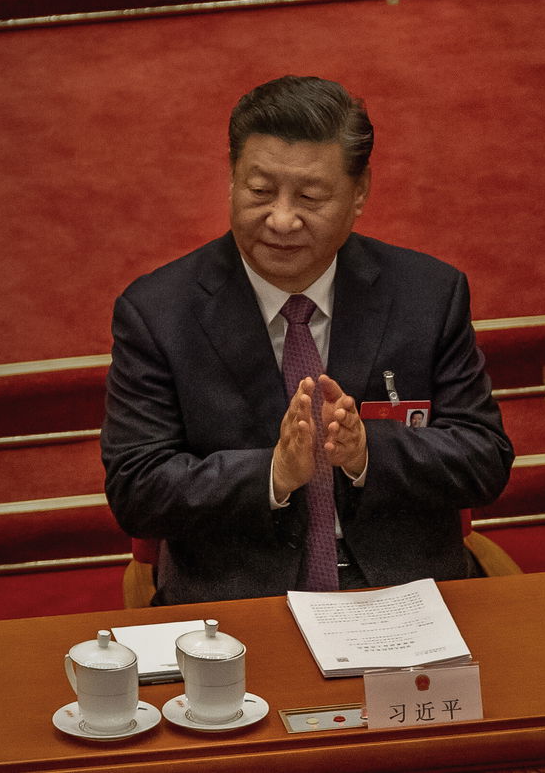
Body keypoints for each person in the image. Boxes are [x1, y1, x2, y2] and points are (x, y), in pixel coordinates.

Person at [102, 75, 513, 605]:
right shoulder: (159, 312)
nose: (281, 219)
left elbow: (485, 459)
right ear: (231, 179)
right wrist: (272, 473)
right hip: (240, 598)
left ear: (360, 192)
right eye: (259, 191)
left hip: (403, 591)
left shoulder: (427, 295)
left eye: (311, 196)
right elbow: (136, 490)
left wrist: (369, 453)